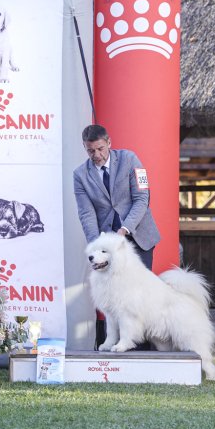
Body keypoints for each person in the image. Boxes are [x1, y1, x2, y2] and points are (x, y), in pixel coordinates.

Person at [73, 124, 159, 348]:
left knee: (138, 296)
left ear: (109, 143)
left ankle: (143, 347)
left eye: (100, 149)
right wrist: (98, 244)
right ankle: (114, 341)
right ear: (85, 148)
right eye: (91, 151)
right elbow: (86, 213)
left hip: (138, 237)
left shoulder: (130, 159)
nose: (96, 155)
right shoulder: (80, 175)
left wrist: (124, 229)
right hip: (106, 246)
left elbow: (142, 198)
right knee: (111, 295)